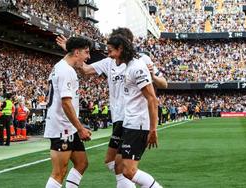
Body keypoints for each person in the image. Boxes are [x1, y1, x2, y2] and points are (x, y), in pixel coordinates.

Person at [56, 27, 167, 187]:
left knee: (126, 168)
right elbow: (86, 70)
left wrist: (153, 77)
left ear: (123, 46)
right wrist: (73, 52)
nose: (108, 54)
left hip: (134, 120)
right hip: (122, 118)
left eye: (110, 50)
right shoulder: (113, 62)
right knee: (115, 164)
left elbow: (159, 88)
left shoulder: (141, 62)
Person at [109, 34, 162, 187]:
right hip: (129, 123)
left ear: (121, 49)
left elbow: (152, 98)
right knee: (118, 165)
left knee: (129, 171)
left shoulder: (137, 68)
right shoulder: (130, 66)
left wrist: (153, 129)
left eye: (111, 51)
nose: (110, 56)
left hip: (138, 124)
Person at [44, 36, 92, 188]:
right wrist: (80, 128)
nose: (88, 57)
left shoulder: (61, 67)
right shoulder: (66, 71)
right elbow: (66, 102)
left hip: (68, 127)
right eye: (86, 52)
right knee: (59, 172)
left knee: (82, 163)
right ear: (77, 52)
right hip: (61, 128)